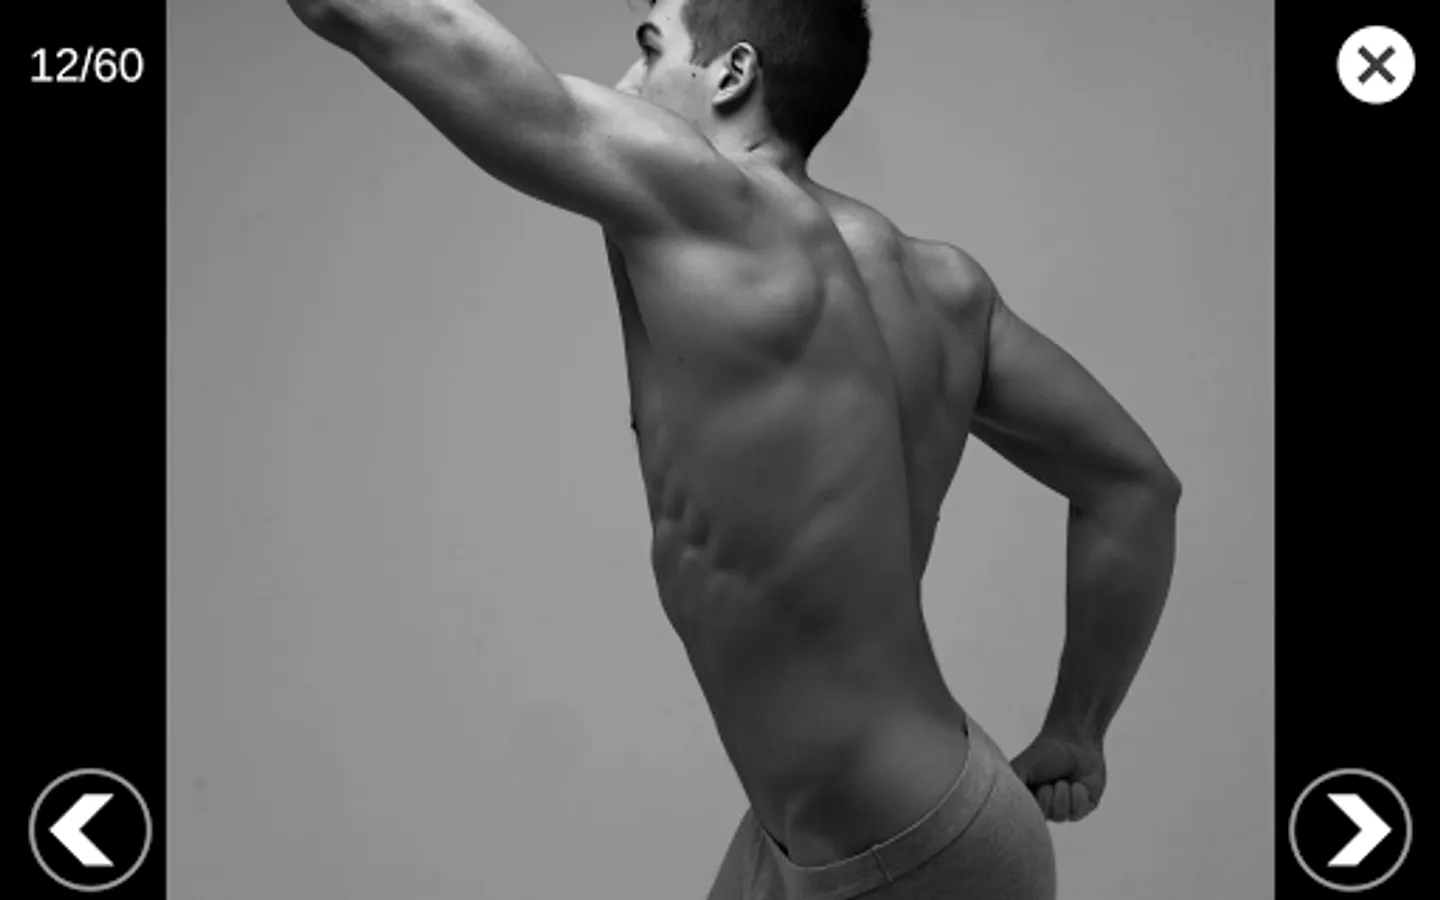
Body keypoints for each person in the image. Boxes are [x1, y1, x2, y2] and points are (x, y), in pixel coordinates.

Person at [286, 1, 1182, 897]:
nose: (625, 83)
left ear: (732, 74)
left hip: (902, 856)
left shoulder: (709, 203)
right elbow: (1134, 487)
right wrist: (1078, 728)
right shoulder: (945, 290)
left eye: (650, 49)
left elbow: (399, 23)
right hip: (860, 830)